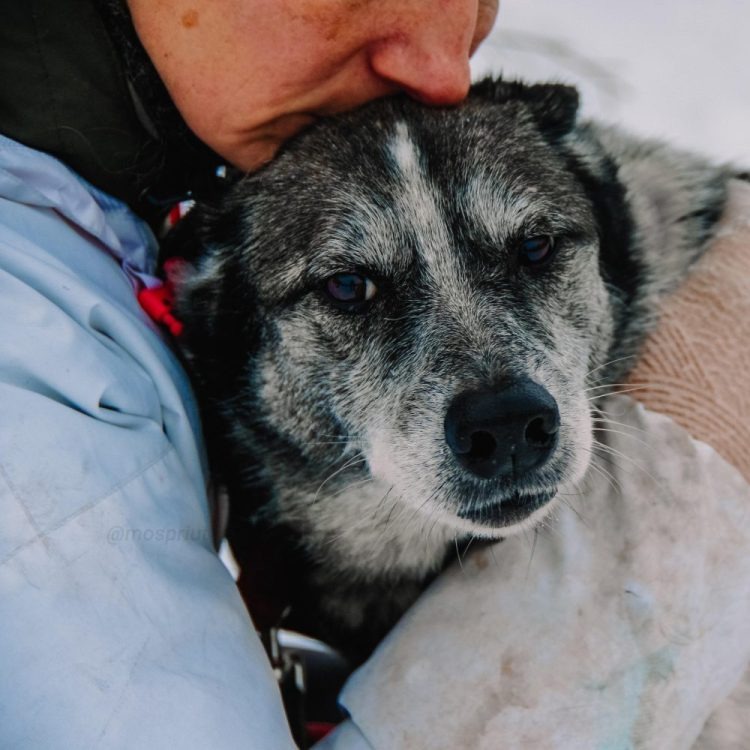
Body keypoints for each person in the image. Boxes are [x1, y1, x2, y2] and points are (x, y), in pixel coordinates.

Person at [1, 2, 749, 749]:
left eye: (533, 251)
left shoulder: (120, 190)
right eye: (351, 289)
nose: (443, 72)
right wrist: (671, 510)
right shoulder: (35, 349)